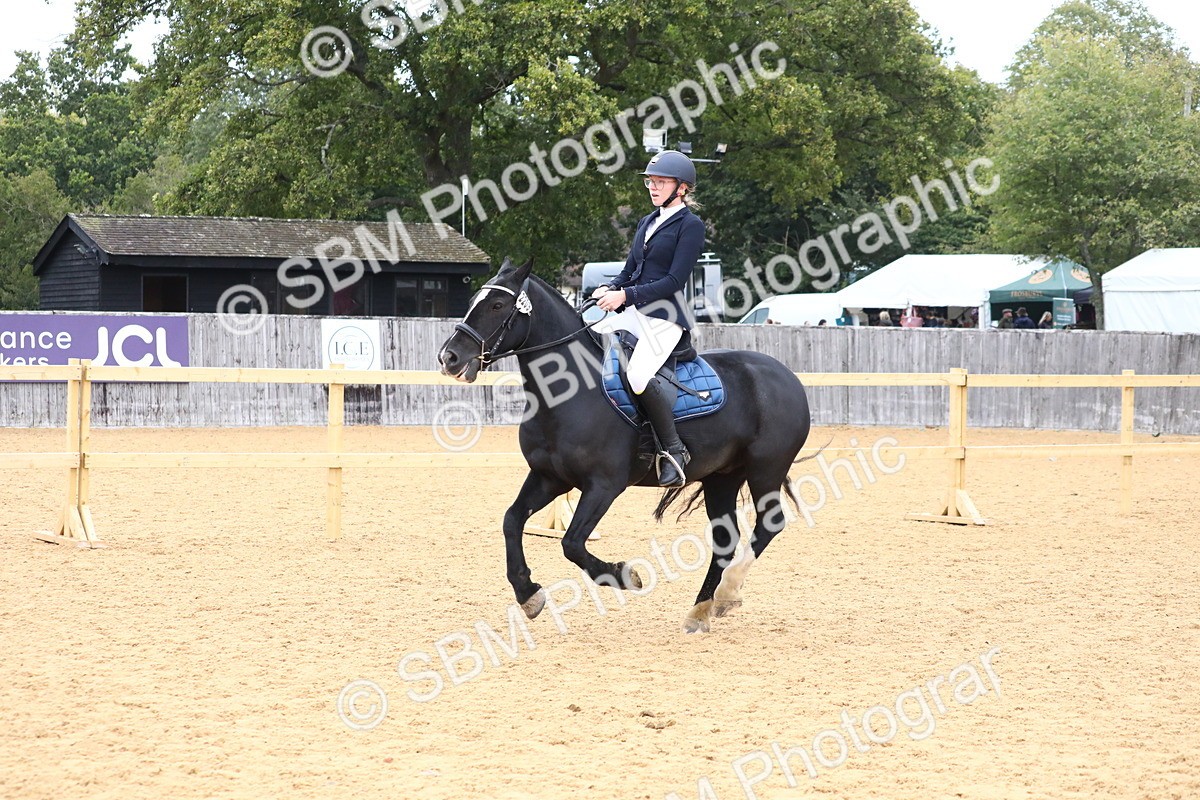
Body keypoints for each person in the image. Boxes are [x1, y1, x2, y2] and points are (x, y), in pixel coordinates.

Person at [591, 150, 704, 487]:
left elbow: (673, 281)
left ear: (681, 188)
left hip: (664, 317)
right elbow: (631, 269)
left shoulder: (690, 225)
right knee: (586, 343)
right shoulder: (647, 221)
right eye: (650, 182)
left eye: (660, 182)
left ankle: (673, 450)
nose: (653, 187)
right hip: (633, 311)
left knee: (639, 375)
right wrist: (610, 287)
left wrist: (624, 296)